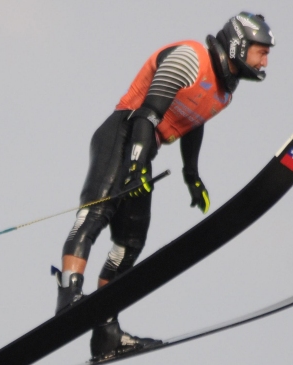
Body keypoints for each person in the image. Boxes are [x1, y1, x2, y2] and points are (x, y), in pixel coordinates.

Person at [53, 11, 275, 362]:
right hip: (122, 133)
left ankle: (106, 333)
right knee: (95, 215)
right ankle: (69, 294)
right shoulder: (189, 58)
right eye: (261, 51)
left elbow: (193, 123)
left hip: (145, 151)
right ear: (238, 44)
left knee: (129, 244)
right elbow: (146, 113)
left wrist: (192, 175)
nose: (265, 60)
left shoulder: (224, 93)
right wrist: (137, 162)